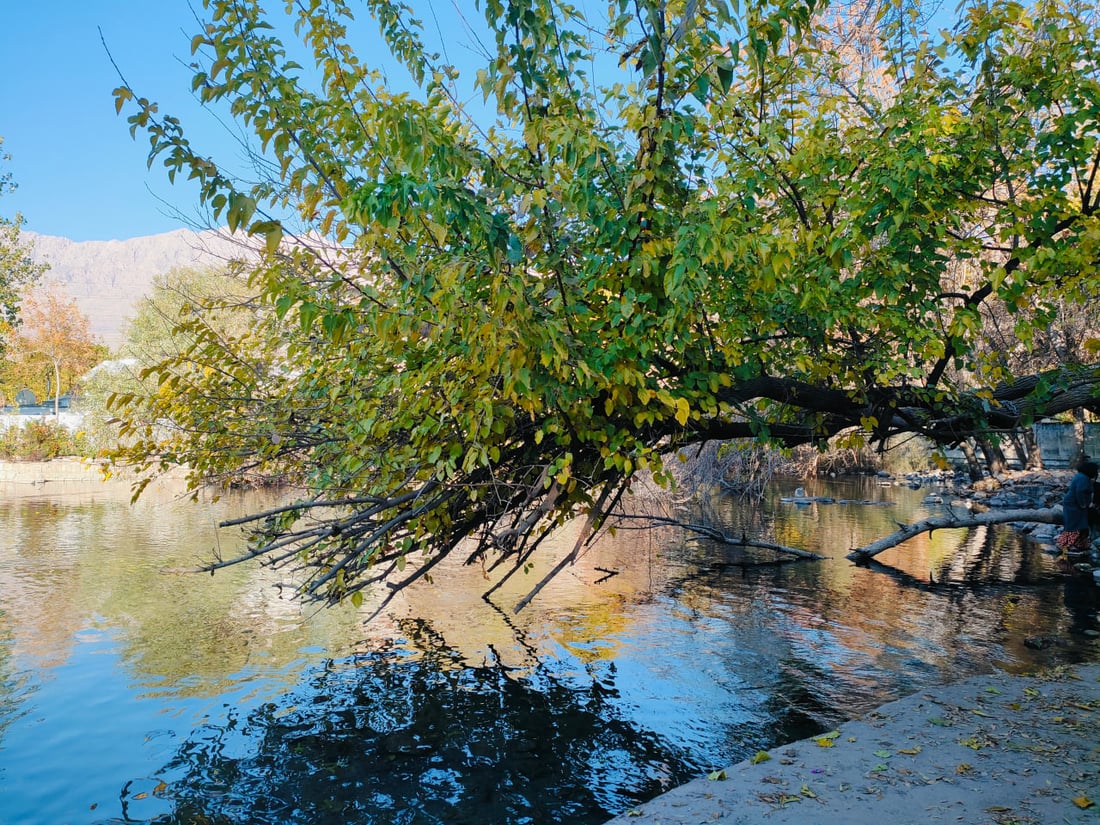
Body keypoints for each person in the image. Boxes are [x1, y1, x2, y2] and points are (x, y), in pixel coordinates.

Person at [1058, 460, 1099, 555]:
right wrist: (1083, 504)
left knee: (1080, 525)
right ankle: (1064, 544)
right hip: (1074, 505)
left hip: (1074, 504)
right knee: (1074, 525)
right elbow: (1080, 492)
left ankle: (1079, 544)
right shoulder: (1083, 479)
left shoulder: (1081, 476)